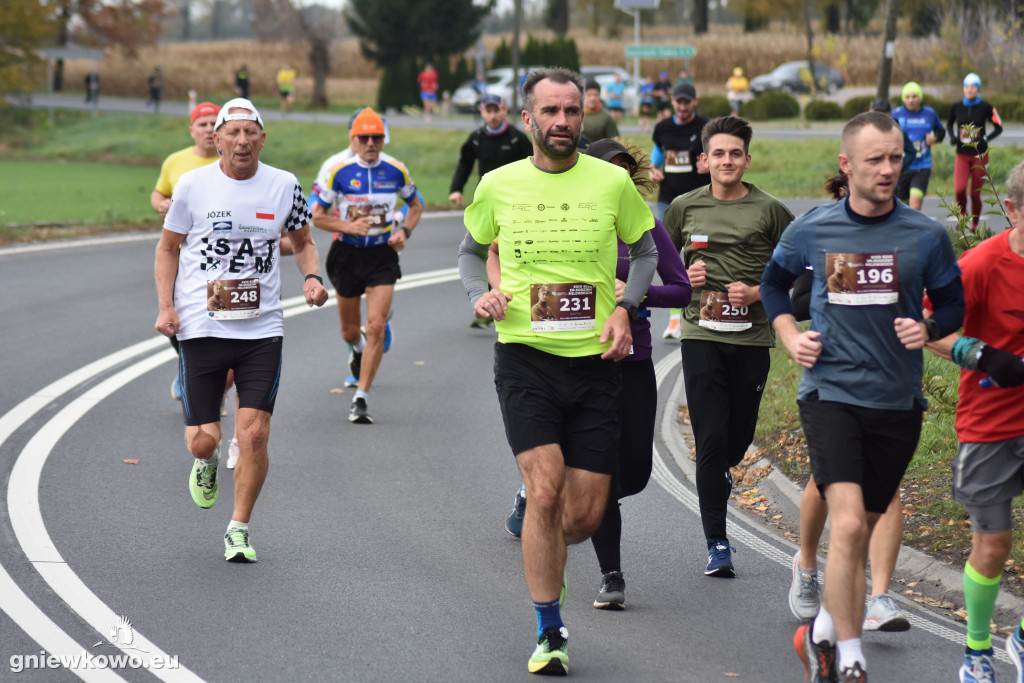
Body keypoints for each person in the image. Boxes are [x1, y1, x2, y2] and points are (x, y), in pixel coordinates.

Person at [457, 66, 657, 676]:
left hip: (596, 363)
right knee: (544, 491)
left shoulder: (610, 183)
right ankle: (549, 627)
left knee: (584, 514)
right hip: (524, 359)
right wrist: (478, 295)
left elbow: (645, 250)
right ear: (529, 120)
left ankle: (547, 558)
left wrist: (626, 308)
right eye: (551, 112)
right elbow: (470, 250)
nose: (563, 122)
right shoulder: (497, 184)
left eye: (571, 112)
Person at [760, 111, 964, 682]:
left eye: (896, 157)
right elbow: (773, 284)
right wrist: (789, 333)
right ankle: (848, 658)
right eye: (875, 159)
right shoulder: (815, 228)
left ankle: (820, 631)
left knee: (863, 526)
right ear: (847, 165)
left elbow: (953, 306)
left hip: (897, 402)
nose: (888, 169)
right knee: (848, 525)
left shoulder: (925, 235)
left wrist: (927, 329)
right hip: (830, 393)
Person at [153, 98, 330, 563]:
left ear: (262, 139)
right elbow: (168, 248)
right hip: (201, 328)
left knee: (253, 434)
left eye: (251, 132)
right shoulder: (192, 186)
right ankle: (206, 461)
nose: (242, 141)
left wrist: (312, 277)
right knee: (204, 437)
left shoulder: (284, 185)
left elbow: (305, 240)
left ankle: (239, 527)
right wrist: (166, 306)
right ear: (217, 139)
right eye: (233, 132)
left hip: (262, 330)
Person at [662, 115, 794, 579]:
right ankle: (717, 542)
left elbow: (799, 267)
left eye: (735, 153)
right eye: (718, 153)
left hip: (753, 336)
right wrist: (684, 275)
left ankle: (722, 471)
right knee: (710, 439)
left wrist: (759, 293)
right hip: (701, 333)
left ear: (747, 159)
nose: (727, 161)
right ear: (704, 160)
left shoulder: (770, 209)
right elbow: (656, 260)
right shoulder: (683, 206)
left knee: (736, 441)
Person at [787, 171, 912, 636]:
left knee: (888, 487)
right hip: (834, 382)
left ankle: (879, 596)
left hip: (888, 382)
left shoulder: (909, 237)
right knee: (827, 483)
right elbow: (793, 297)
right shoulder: (820, 234)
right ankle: (805, 565)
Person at [923, 161, 1024, 683]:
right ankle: (977, 651)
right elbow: (923, 326)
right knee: (993, 544)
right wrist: (980, 355)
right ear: (1011, 210)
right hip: (991, 423)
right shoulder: (981, 265)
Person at [583, 139, 691, 610]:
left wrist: (638, 294)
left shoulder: (644, 224)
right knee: (602, 472)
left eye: (628, 173)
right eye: (611, 171)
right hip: (581, 360)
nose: (620, 180)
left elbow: (682, 289)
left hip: (634, 359)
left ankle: (587, 498)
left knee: (636, 472)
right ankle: (612, 574)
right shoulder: (573, 221)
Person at [310, 107, 422, 424]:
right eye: (364, 137)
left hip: (381, 256)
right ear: (354, 139)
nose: (371, 143)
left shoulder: (396, 170)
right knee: (349, 330)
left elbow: (416, 204)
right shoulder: (338, 171)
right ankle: (357, 349)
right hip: (346, 255)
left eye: (377, 137)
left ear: (383, 140)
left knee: (375, 326)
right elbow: (317, 216)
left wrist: (404, 232)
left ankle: (361, 398)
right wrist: (347, 227)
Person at [151, 101, 223, 402]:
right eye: (202, 124)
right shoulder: (175, 162)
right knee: (177, 318)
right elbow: (159, 192)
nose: (208, 130)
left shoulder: (233, 161)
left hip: (219, 258)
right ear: (191, 130)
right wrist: (161, 204)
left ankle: (210, 387)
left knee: (219, 323)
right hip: (181, 255)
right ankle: (187, 365)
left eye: (213, 124)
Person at [650, 81, 711, 339]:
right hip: (668, 203)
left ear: (694, 102)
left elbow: (716, 157)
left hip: (699, 204)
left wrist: (710, 167)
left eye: (687, 101)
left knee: (699, 259)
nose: (683, 106)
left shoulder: (706, 128)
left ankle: (700, 312)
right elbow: (657, 158)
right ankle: (674, 320)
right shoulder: (662, 128)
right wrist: (652, 171)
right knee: (671, 261)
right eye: (679, 101)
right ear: (673, 102)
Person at [946, 73, 1002, 230]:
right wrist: (952, 137)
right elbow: (949, 124)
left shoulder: (986, 106)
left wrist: (986, 138)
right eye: (966, 87)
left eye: (973, 87)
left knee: (975, 194)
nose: (969, 90)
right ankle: (963, 216)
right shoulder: (956, 107)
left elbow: (999, 126)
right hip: (962, 155)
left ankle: (975, 225)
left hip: (980, 156)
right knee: (959, 189)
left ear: (978, 89)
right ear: (963, 88)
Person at [892, 82, 945, 211]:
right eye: (908, 97)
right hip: (903, 166)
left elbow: (941, 131)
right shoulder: (896, 114)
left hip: (922, 166)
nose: (911, 100)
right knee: (901, 208)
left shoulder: (930, 113)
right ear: (903, 98)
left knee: (914, 207)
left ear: (920, 98)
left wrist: (935, 138)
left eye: (914, 96)